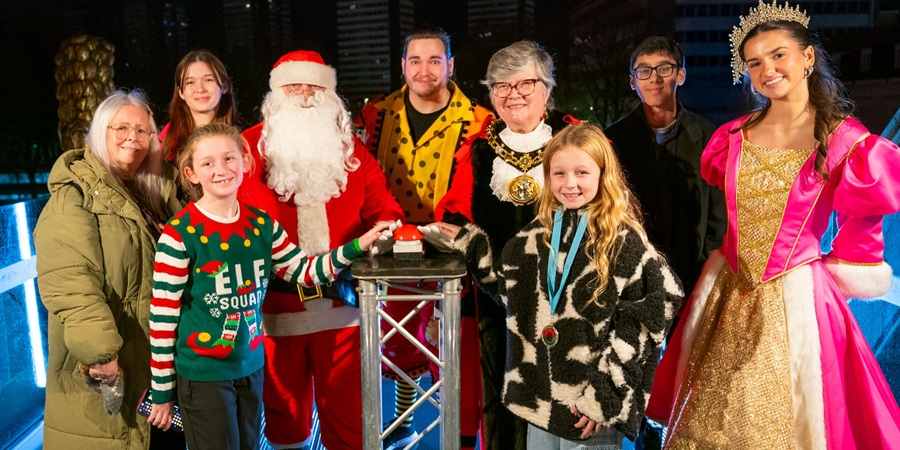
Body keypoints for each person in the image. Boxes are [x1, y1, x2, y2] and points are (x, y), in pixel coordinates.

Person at [646, 1, 900, 448]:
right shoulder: (732, 137)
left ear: (807, 58)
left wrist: (841, 269)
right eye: (755, 62)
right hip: (727, 294)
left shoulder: (844, 139)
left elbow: (865, 220)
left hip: (796, 300)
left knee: (781, 422)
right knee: (708, 422)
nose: (767, 69)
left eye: (778, 54)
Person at [146, 123, 389, 450]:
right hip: (203, 374)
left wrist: (357, 246)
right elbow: (162, 318)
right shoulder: (179, 235)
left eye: (229, 158)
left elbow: (305, 271)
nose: (221, 170)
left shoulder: (261, 225)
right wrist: (162, 392)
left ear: (246, 163)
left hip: (250, 367)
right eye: (208, 163)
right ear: (191, 173)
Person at [450, 123, 682, 448]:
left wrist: (606, 394)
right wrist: (471, 246)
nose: (569, 184)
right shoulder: (535, 237)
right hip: (544, 403)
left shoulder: (622, 239)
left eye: (582, 173)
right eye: (559, 174)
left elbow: (654, 310)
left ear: (603, 174)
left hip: (591, 407)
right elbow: (514, 296)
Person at [238, 49, 404, 450]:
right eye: (293, 85)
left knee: (348, 415)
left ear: (329, 92)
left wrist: (387, 230)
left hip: (341, 307)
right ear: (276, 92)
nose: (304, 94)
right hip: (275, 309)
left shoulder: (350, 150)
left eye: (313, 85)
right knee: (284, 414)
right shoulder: (249, 146)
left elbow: (383, 209)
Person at [433, 39, 580, 450]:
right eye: (501, 86)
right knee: (501, 394)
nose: (512, 94)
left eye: (524, 84)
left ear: (547, 88)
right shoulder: (478, 149)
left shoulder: (577, 139)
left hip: (564, 297)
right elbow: (456, 212)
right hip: (496, 299)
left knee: (560, 393)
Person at [359, 29, 491, 449]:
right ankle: (400, 420)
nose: (424, 70)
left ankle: (459, 434)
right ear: (402, 66)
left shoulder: (478, 120)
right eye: (415, 60)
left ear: (451, 65)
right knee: (396, 344)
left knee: (451, 346)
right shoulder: (376, 114)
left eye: (435, 60)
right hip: (390, 247)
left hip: (449, 251)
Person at [35, 90, 181, 449]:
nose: (132, 136)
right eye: (121, 127)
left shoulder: (150, 194)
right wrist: (101, 354)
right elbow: (71, 283)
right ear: (100, 131)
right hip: (107, 373)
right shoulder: (75, 197)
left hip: (153, 371)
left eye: (143, 130)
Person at [605, 36, 725, 295]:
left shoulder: (707, 136)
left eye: (664, 69)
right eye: (644, 71)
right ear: (633, 82)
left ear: (680, 75)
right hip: (633, 272)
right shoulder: (613, 139)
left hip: (693, 269)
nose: (654, 79)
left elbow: (720, 210)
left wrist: (709, 262)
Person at [160, 50, 237, 163]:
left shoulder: (242, 137)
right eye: (190, 82)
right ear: (181, 92)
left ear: (224, 86)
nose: (200, 89)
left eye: (208, 80)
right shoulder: (166, 139)